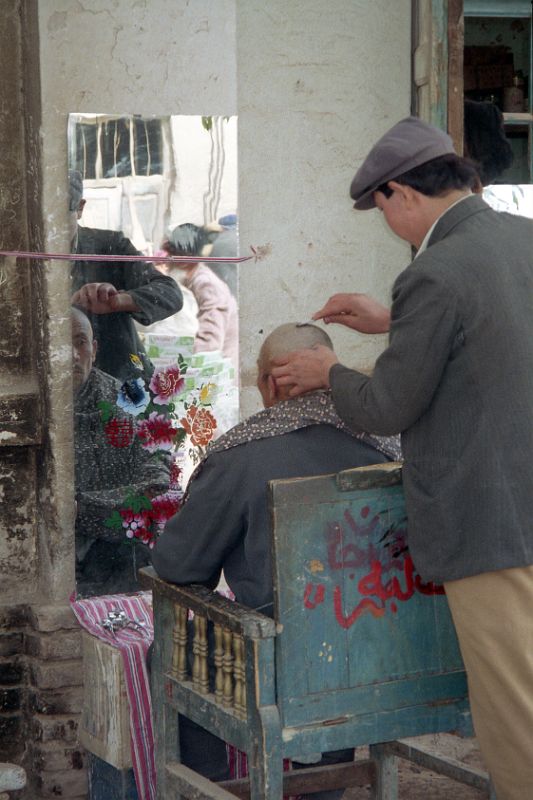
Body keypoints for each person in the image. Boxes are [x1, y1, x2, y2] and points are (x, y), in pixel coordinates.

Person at [270, 117, 533, 800]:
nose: (386, 222)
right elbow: (500, 323)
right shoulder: (520, 238)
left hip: (489, 518)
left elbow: (385, 406)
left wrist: (329, 369)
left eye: (380, 208)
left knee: (515, 714)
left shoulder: (434, 272)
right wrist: (396, 321)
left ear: (398, 193)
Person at [152, 322, 399, 795]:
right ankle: (323, 784)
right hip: (384, 657)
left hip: (285, 668)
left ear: (268, 384)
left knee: (172, 650)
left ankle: (214, 788)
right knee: (341, 628)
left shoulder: (244, 456)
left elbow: (179, 567)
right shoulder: (388, 445)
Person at [72, 307, 170, 596]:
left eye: (80, 341)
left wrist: (82, 508)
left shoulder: (126, 401)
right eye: (60, 343)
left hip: (111, 547)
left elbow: (157, 484)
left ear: (94, 349)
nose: (73, 354)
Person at [69, 170, 183, 381]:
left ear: (79, 208)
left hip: (122, 384)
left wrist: (118, 300)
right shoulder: (25, 257)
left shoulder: (109, 247)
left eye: (58, 216)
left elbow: (170, 294)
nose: (49, 229)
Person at [161, 222, 238, 369]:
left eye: (174, 254)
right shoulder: (189, 279)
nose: (169, 259)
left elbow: (210, 341)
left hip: (217, 371)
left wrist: (173, 359)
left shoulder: (207, 285)